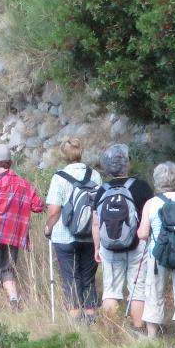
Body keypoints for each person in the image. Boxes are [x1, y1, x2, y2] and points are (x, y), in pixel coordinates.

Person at [0, 143, 46, 311]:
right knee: (8, 269)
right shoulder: (24, 184)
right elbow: (39, 206)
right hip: (13, 236)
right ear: (10, 163)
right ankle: (13, 299)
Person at [91, 143, 152, 331]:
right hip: (137, 244)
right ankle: (138, 330)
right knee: (137, 290)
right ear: (127, 164)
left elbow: (95, 222)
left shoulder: (102, 190)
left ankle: (111, 331)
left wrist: (97, 248)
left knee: (110, 290)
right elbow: (150, 217)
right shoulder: (141, 187)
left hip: (109, 246)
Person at [136, 161, 175, 345]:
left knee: (154, 292)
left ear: (157, 182)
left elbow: (143, 233)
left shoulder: (151, 203)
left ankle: (152, 337)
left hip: (158, 253)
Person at [44, 137, 102, 325]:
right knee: (88, 278)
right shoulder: (94, 175)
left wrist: (48, 227)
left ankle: (76, 322)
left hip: (64, 236)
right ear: (81, 152)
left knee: (71, 278)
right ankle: (91, 319)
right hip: (89, 235)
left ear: (63, 155)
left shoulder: (59, 177)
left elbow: (54, 211)